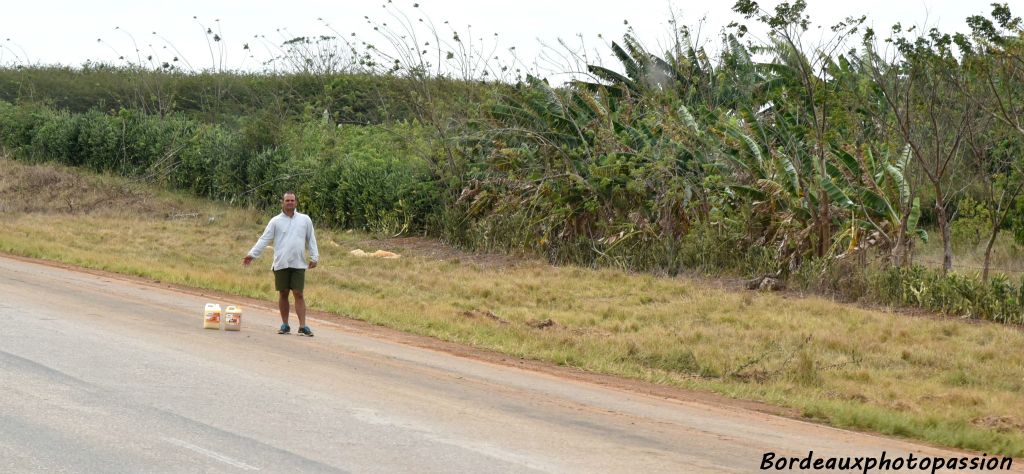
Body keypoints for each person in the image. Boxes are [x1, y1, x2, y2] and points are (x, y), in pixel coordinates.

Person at [243, 191, 319, 336]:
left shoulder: (305, 220)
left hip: (298, 263)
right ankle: (285, 325)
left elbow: (311, 239)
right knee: (283, 293)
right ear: (282, 203)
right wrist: (252, 254)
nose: (290, 203)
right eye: (287, 200)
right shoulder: (275, 221)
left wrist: (314, 257)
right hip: (281, 263)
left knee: (298, 293)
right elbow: (264, 239)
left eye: (292, 200)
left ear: (296, 202)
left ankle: (302, 326)